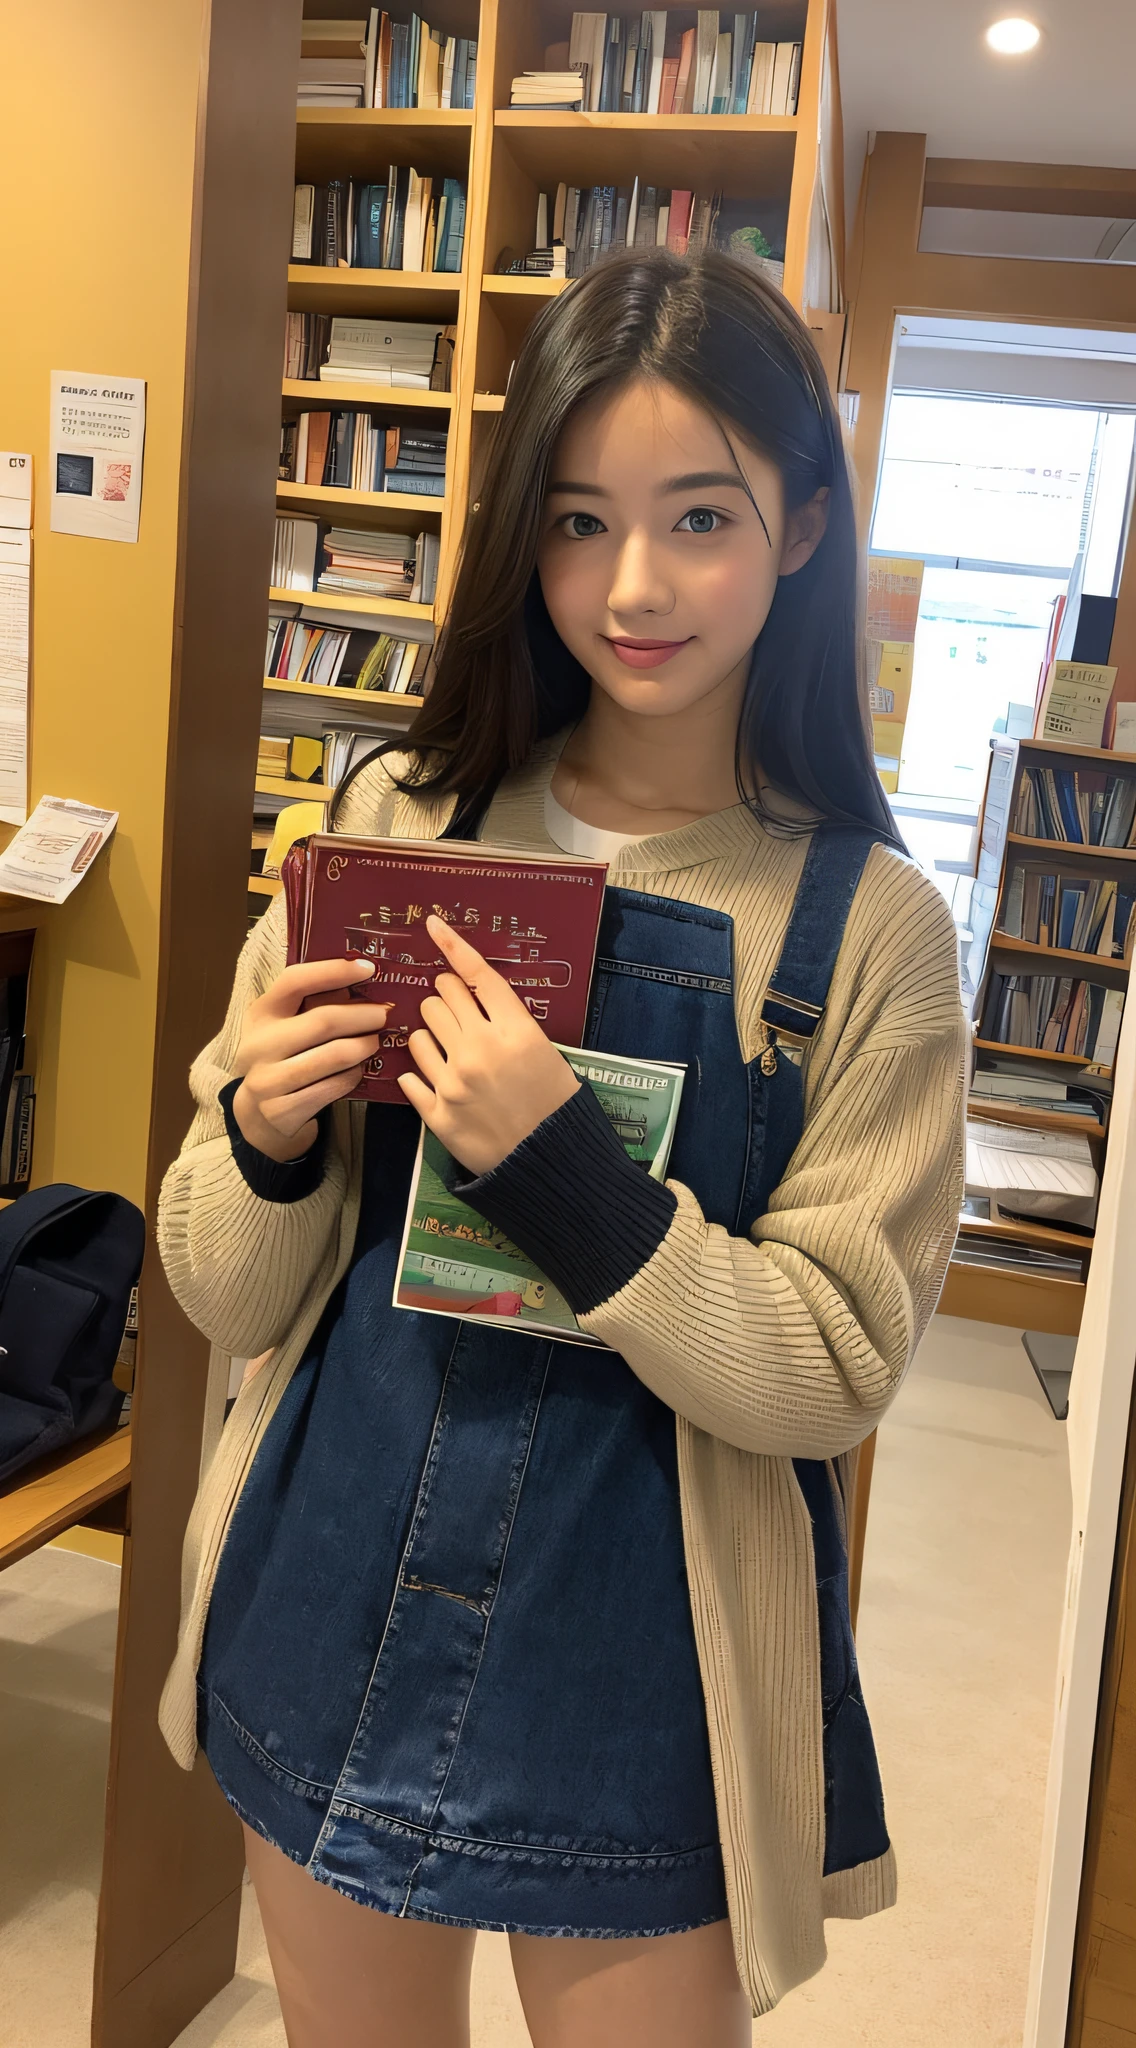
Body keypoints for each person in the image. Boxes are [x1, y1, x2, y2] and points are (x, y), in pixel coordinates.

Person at [158, 247, 966, 2048]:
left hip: (647, 1654)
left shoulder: (866, 929)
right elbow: (223, 1283)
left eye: (701, 516)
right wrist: (269, 1136)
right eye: (580, 520)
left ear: (808, 523)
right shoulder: (392, 818)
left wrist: (568, 1176)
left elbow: (834, 1367)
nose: (635, 586)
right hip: (330, 1581)